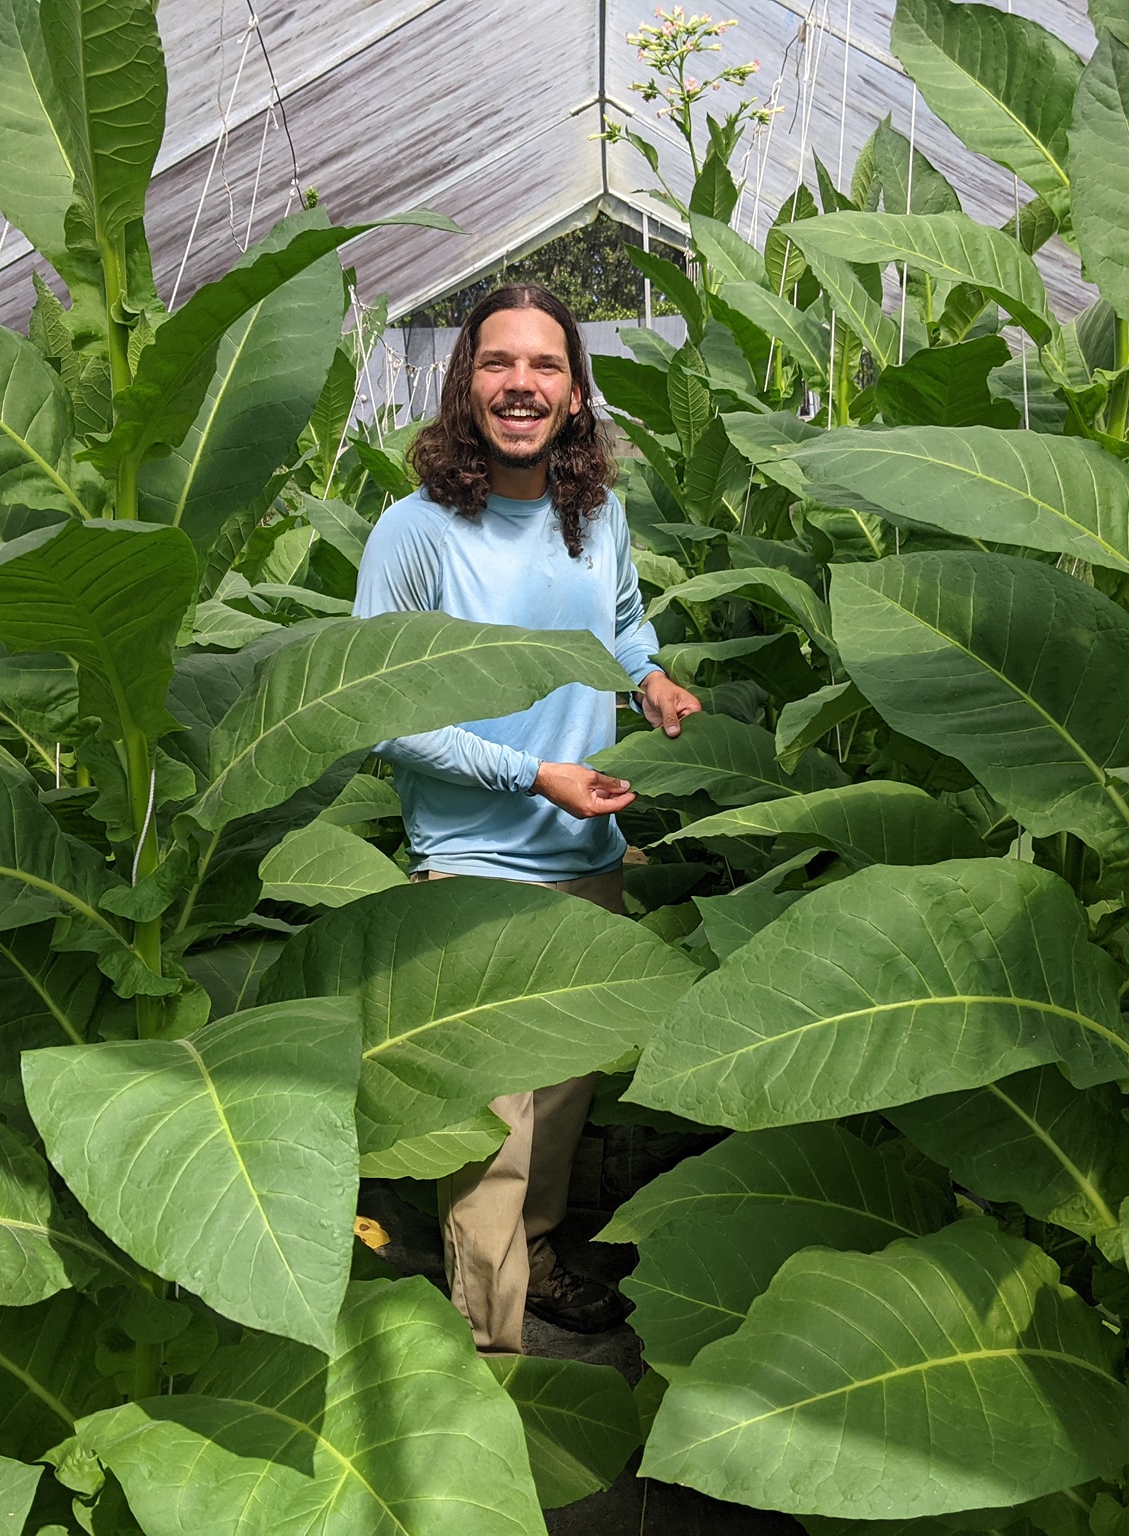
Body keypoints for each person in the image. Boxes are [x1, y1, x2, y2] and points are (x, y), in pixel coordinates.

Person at [354, 283, 701, 1354]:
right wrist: (528, 774)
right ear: (465, 384)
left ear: (572, 392)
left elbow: (626, 627)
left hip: (584, 856)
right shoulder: (414, 534)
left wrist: (651, 684)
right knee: (490, 1145)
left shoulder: (592, 513)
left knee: (556, 1108)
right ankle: (485, 1361)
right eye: (497, 363)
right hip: (473, 875)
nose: (521, 384)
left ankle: (537, 1257)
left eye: (544, 366)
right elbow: (380, 715)